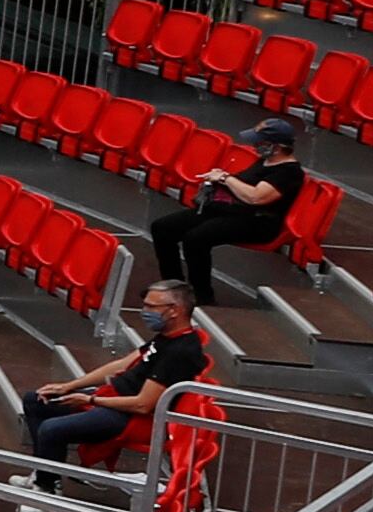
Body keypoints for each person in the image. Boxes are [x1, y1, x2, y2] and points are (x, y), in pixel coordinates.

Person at [26, 281, 212, 460]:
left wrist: (91, 400)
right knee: (35, 401)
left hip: (130, 416)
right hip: (116, 398)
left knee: (51, 429)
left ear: (174, 311)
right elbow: (123, 364)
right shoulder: (166, 336)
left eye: (151, 307)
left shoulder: (179, 352)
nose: (144, 312)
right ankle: (43, 473)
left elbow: (143, 405)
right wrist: (69, 386)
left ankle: (46, 484)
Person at [148, 119, 306, 308]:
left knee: (196, 239)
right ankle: (174, 286)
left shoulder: (289, 172)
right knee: (162, 228)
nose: (255, 145)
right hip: (230, 211)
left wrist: (225, 178)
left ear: (277, 147)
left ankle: (203, 296)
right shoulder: (265, 162)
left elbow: (256, 197)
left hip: (257, 222)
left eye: (260, 142)